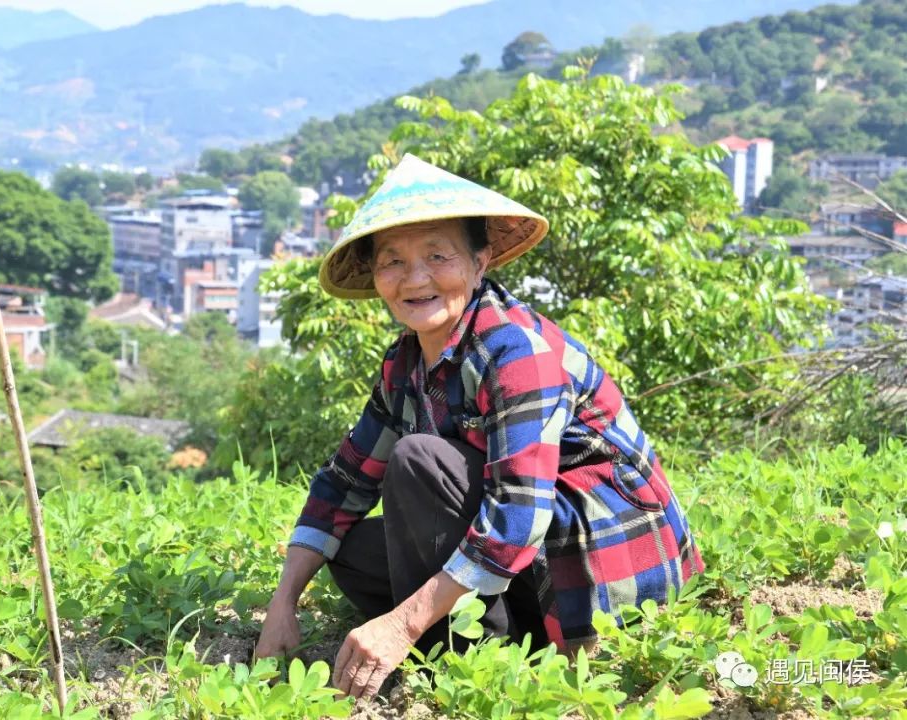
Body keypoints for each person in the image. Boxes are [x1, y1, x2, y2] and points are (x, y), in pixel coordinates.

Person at [254, 154, 705, 699]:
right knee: (348, 551)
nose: (415, 279)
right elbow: (344, 481)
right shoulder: (405, 364)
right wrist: (282, 606)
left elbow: (518, 514)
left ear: (480, 261)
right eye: (392, 262)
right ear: (376, 277)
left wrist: (400, 623)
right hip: (526, 559)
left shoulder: (514, 350)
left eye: (437, 256)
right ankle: (466, 635)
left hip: (595, 569)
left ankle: (474, 662)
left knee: (420, 461)